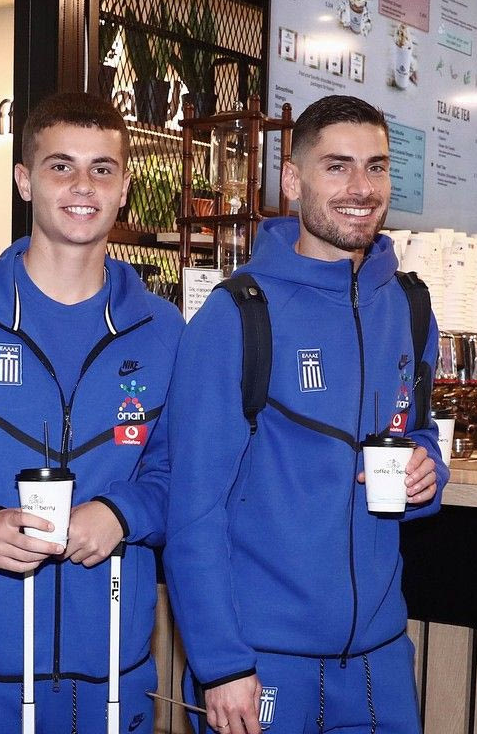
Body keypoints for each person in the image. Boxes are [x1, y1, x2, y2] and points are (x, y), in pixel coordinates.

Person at [0, 91, 183, 733]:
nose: (83, 186)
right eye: (60, 166)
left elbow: (183, 477)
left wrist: (122, 513)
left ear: (124, 189)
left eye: (102, 168)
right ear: (24, 180)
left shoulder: (163, 331)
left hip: (114, 676)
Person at [164, 94, 448, 734]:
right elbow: (194, 510)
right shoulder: (237, 315)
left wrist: (428, 469)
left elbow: (419, 431)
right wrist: (220, 663)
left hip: (379, 658)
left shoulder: (410, 307)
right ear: (292, 180)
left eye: (376, 167)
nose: (361, 188)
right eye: (337, 166)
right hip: (262, 661)